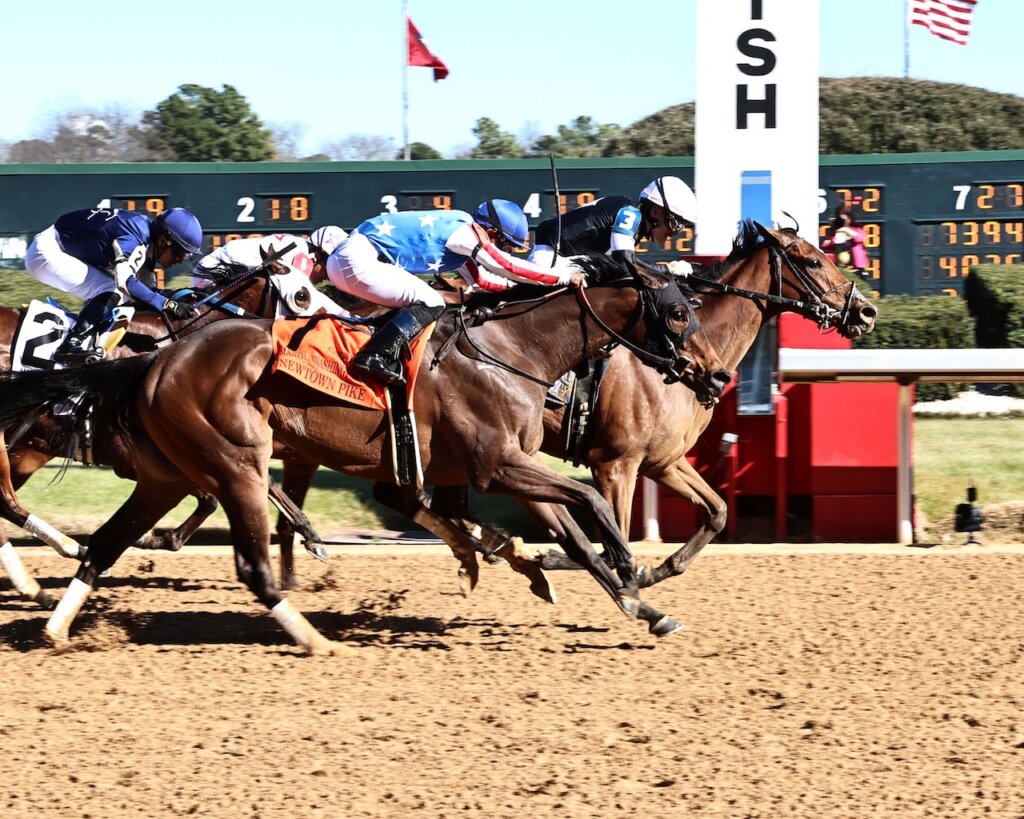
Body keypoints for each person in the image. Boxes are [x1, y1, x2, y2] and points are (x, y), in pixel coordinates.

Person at [327, 199, 585, 385]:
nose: (502, 248)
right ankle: (373, 356)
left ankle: (380, 350)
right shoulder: (466, 235)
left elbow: (483, 281)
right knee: (431, 300)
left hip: (353, 258)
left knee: (423, 298)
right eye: (503, 242)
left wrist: (524, 292)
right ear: (493, 231)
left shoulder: (459, 232)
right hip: (357, 259)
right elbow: (505, 266)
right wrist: (560, 278)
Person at [25, 206, 203, 364]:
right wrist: (168, 304)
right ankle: (73, 343)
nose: (180, 260)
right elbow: (125, 283)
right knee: (112, 288)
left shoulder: (147, 237)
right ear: (164, 241)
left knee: (118, 291)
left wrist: (174, 298)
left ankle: (83, 333)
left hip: (59, 245)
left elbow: (147, 290)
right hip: (47, 251)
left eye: (186, 256)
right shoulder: (135, 237)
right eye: (180, 253)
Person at [529, 176, 698, 277]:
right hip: (550, 260)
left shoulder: (634, 220)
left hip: (563, 259)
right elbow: (625, 265)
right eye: (675, 223)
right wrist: (667, 268)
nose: (676, 233)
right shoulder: (631, 215)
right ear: (655, 212)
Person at [191, 226, 347, 288]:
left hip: (212, 270)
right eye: (328, 269)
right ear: (317, 255)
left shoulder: (298, 245)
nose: (327, 277)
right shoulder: (302, 260)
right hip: (213, 276)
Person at [821, 204, 869, 277]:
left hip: (856, 269)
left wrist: (845, 230)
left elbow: (859, 238)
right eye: (841, 219)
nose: (844, 221)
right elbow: (824, 245)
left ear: (850, 218)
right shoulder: (834, 232)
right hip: (840, 270)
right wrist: (835, 235)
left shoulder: (857, 229)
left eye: (845, 219)